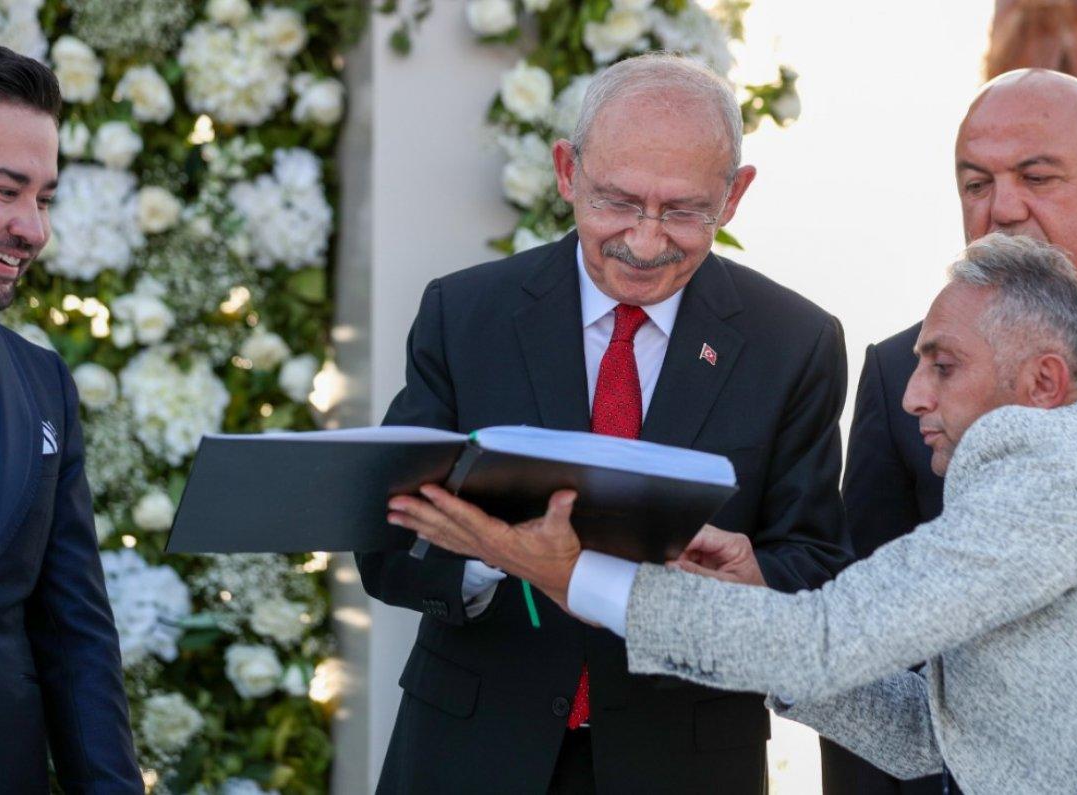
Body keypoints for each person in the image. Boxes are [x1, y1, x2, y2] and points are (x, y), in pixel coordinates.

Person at [396, 234, 1077, 794]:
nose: (913, 395)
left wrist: (572, 574)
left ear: (1045, 382)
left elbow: (827, 642)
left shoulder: (1057, 470)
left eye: (943, 366)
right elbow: (931, 731)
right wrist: (754, 600)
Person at [358, 53, 852, 793]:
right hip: (471, 753)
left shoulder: (795, 341)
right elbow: (386, 542)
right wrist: (501, 553)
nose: (646, 241)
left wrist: (752, 576)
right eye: (617, 202)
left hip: (683, 762)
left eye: (683, 211)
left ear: (735, 195)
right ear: (567, 172)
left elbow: (816, 565)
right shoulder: (465, 315)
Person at [822, 68, 1077, 794]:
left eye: (1037, 176)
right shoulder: (898, 371)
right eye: (974, 183)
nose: (1002, 208)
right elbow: (874, 643)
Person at [0, 46, 141, 793]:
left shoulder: (43, 384)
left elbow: (75, 636)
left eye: (44, 198)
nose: (32, 229)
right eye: (4, 190)